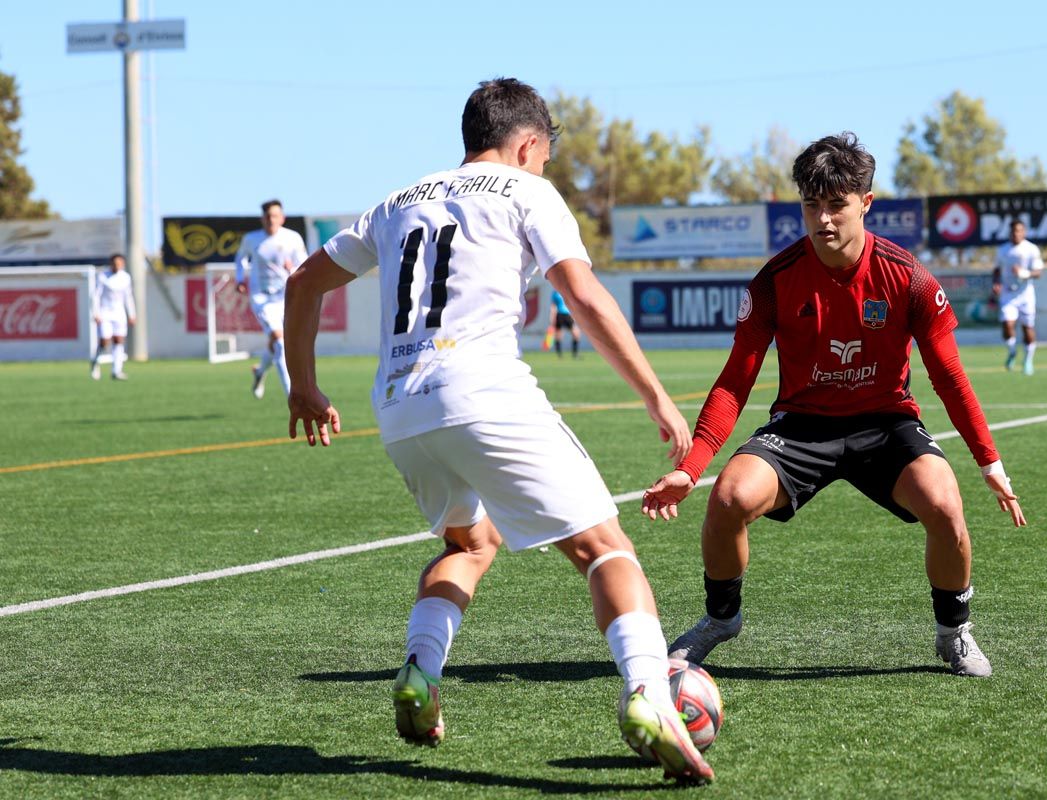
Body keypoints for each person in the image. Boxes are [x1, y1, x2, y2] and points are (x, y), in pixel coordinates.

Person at [283, 78, 713, 784]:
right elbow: (582, 293)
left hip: (400, 408)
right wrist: (658, 397)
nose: (544, 169)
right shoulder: (527, 191)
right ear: (529, 145)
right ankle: (650, 697)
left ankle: (420, 672)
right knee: (606, 550)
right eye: (545, 157)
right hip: (482, 392)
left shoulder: (397, 201)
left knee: (469, 541)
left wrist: (303, 384)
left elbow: (303, 284)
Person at [641, 132, 1027, 679]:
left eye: (836, 204)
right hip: (801, 427)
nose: (823, 219)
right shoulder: (776, 281)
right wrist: (690, 468)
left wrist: (989, 462)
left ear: (866, 203)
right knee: (727, 498)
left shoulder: (907, 277)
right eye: (811, 205)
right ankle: (721, 619)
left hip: (886, 423)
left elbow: (950, 377)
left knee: (944, 505)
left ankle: (954, 632)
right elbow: (735, 382)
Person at [234, 199, 308, 399]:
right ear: (262, 219)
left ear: (282, 218)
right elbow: (240, 258)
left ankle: (260, 371)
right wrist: (239, 279)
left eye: (274, 216)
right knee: (281, 343)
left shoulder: (292, 239)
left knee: (278, 343)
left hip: (287, 297)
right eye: (267, 216)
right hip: (262, 298)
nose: (271, 220)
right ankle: (293, 397)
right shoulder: (252, 239)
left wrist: (291, 269)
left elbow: (304, 266)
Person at [993, 219, 1044, 375]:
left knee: (1027, 328)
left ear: (1024, 232)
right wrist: (996, 283)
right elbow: (996, 270)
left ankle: (1028, 360)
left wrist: (1024, 273)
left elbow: (1039, 272)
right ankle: (1012, 352)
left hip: (1025, 295)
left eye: (1019, 230)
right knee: (1007, 325)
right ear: (1009, 233)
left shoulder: (1031, 249)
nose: (1016, 233)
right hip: (1008, 293)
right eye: (1013, 231)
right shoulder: (1002, 250)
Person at [89, 253, 136, 381]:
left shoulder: (126, 277)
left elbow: (128, 297)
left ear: (123, 264)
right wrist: (96, 313)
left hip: (119, 313)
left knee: (119, 340)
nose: (117, 266)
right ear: (111, 264)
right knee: (105, 341)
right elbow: (96, 295)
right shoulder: (103, 276)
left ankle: (116, 371)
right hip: (104, 312)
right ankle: (95, 362)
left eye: (119, 263)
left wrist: (132, 314)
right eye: (114, 263)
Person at [550, 288, 582, 358]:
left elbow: (571, 305)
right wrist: (552, 319)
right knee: (559, 336)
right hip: (559, 315)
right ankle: (559, 355)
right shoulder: (555, 293)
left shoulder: (566, 290)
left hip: (567, 315)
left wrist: (573, 316)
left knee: (576, 334)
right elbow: (553, 306)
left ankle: (575, 354)